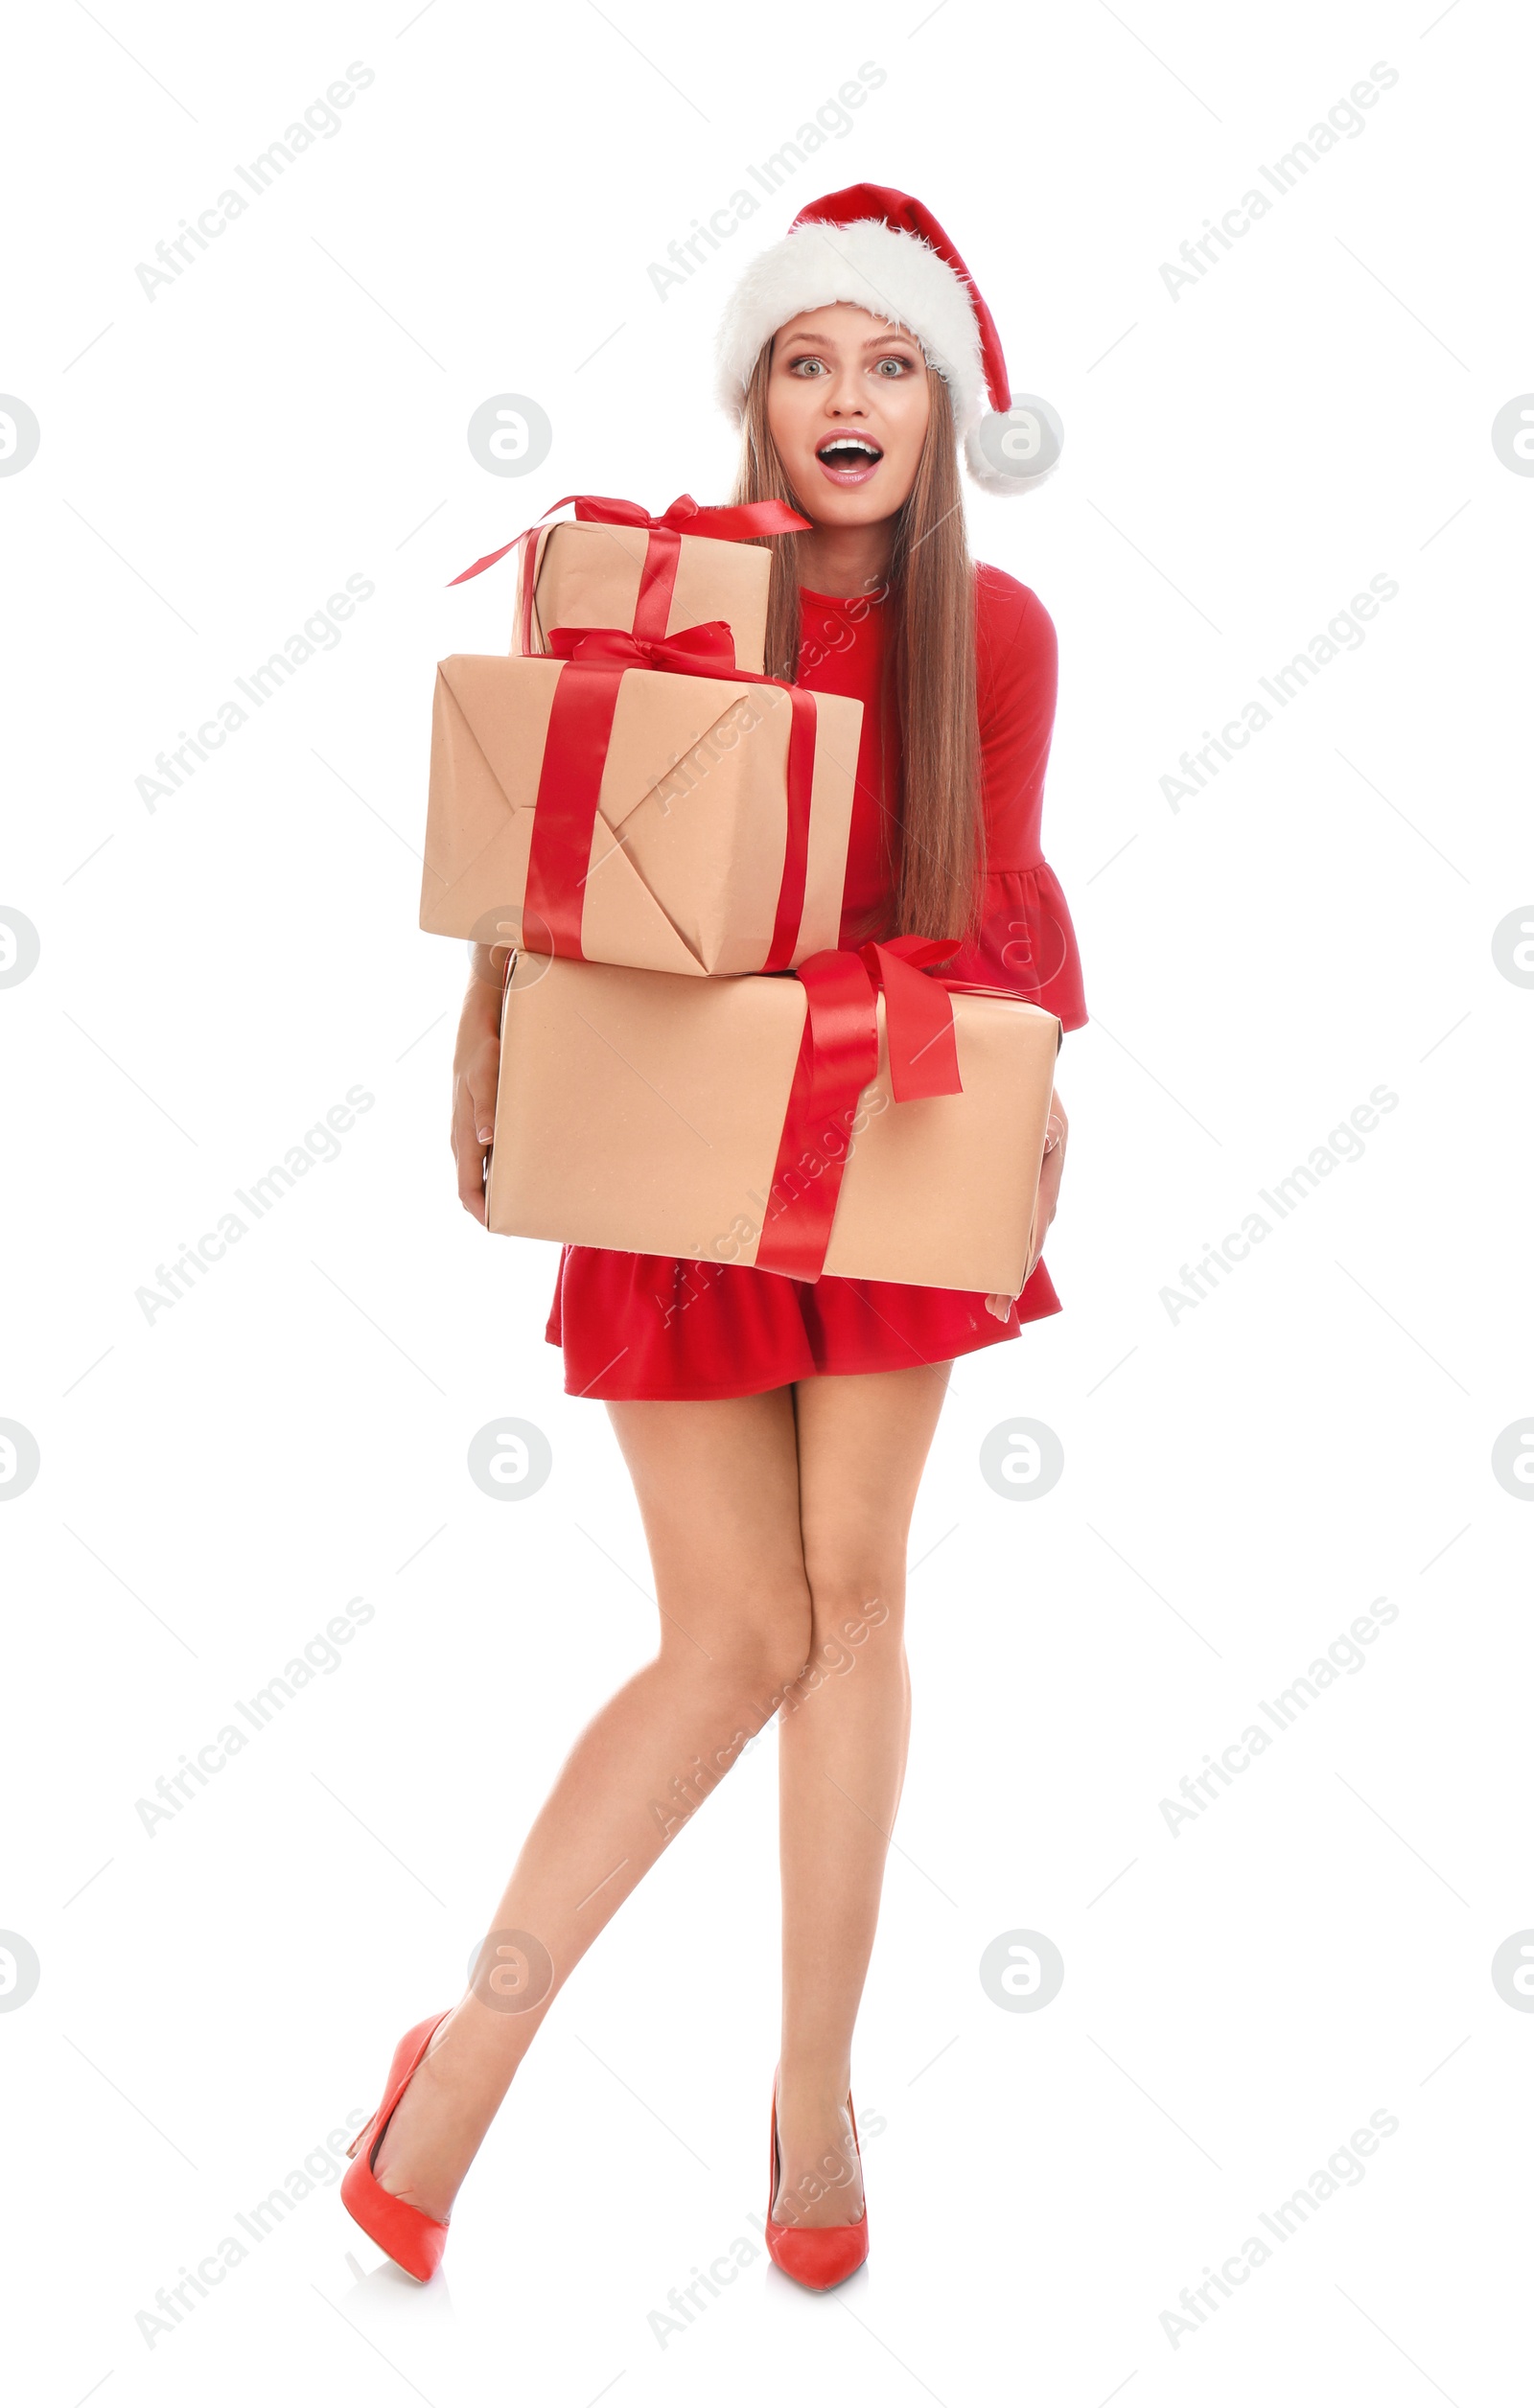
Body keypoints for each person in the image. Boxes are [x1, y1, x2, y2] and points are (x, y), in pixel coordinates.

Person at [342, 184, 1087, 2294]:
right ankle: (461, 2069)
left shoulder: (996, 629)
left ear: (937, 414)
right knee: (730, 1631)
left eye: (888, 365)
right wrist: (484, 1050)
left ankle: (812, 2096)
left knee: (852, 1593)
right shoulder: (657, 590)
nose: (846, 397)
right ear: (753, 401)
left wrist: (1041, 1103)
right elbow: (540, 861)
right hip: (679, 1142)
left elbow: (996, 902)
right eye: (805, 359)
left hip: (887, 1128)